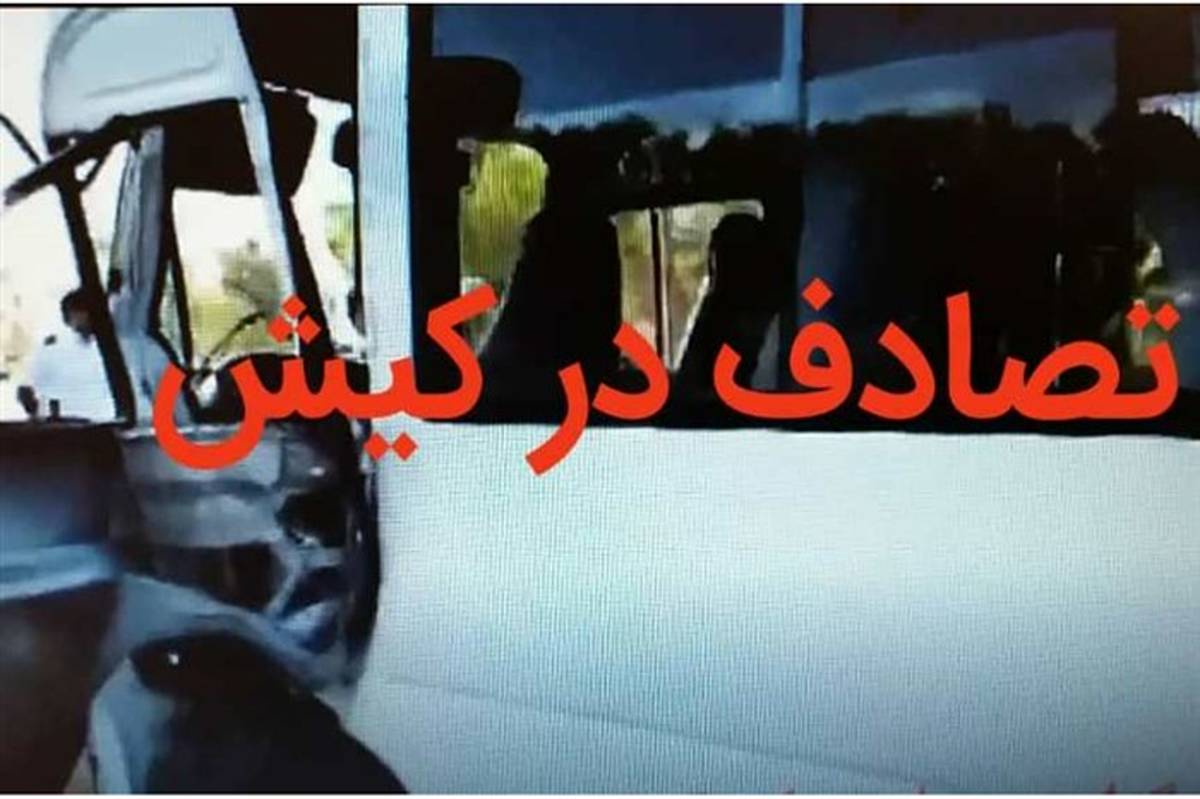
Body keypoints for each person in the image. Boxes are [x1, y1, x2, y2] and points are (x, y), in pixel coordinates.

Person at [18, 288, 115, 420]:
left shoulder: (118, 347)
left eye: (85, 310)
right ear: (67, 317)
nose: (84, 316)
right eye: (77, 312)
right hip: (62, 426)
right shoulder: (51, 350)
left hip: (108, 424)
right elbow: (25, 390)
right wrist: (35, 417)